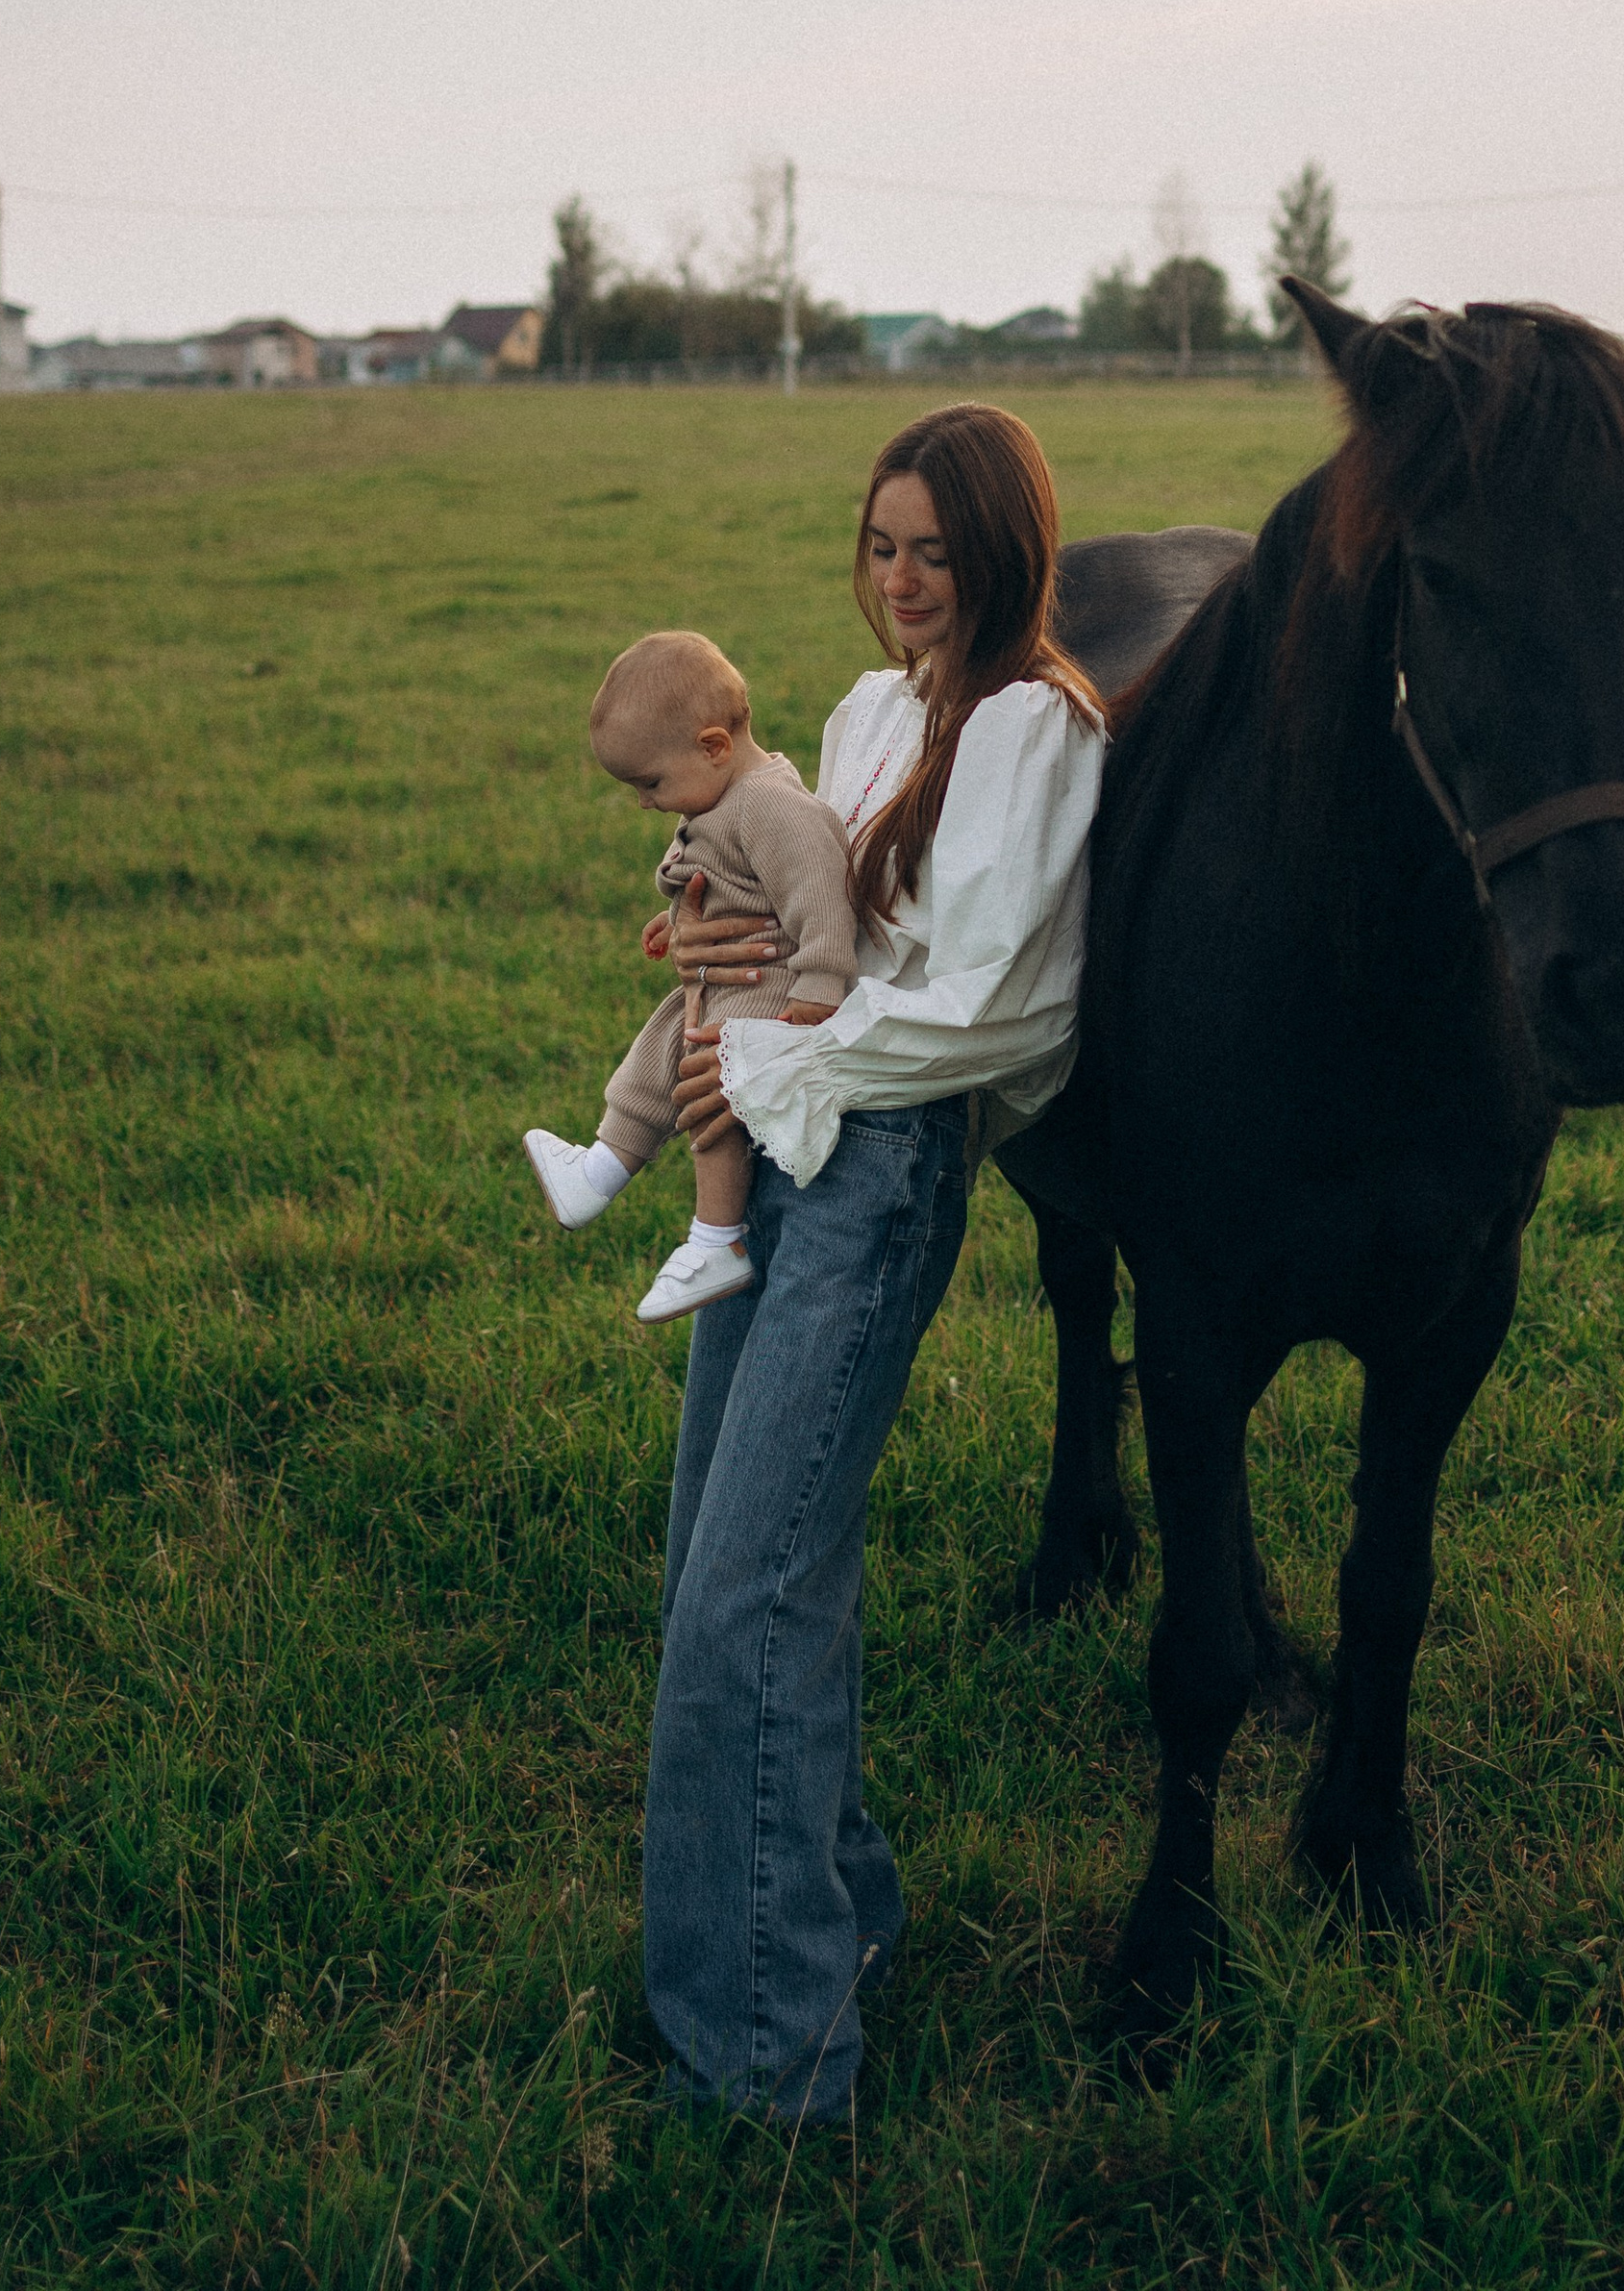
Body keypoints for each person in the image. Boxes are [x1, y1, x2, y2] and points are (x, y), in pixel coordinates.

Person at [645, 405, 1103, 2126]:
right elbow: (810, 923)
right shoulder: (863, 712)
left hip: (875, 1171)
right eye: (881, 546)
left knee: (745, 1598)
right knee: (724, 1570)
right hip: (774, 1138)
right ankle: (827, 1936)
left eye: (938, 552)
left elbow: (999, 1008)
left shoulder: (1038, 728)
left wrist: (777, 1054)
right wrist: (714, 933)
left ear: (1006, 552)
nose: (904, 582)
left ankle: (767, 2070)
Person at [520, 630, 857, 1325]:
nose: (646, 803)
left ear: (713, 746)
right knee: (658, 1062)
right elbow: (738, 886)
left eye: (651, 783)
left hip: (768, 988)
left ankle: (715, 1239)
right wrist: (674, 920)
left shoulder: (770, 806)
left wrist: (819, 990)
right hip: (727, 983)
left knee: (710, 1092)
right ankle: (600, 1171)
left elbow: (820, 893)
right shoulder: (726, 799)